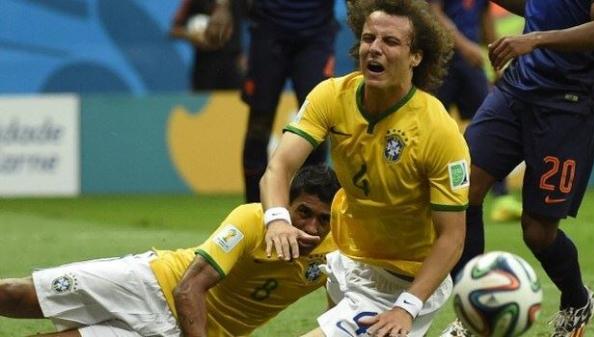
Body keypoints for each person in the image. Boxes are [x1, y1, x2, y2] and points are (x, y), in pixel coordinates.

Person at [260, 1, 469, 336]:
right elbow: (279, 167)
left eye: (390, 42)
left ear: (416, 56)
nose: (375, 48)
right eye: (369, 38)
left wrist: (406, 307)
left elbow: (453, 237)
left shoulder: (438, 130)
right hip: (347, 255)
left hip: (403, 279)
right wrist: (277, 220)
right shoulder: (331, 95)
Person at [0, 165, 341, 337]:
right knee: (14, 295)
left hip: (184, 333)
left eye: (323, 220)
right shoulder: (253, 219)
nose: (311, 228)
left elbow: (339, 318)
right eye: (304, 213)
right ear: (285, 204)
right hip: (150, 284)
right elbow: (188, 288)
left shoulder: (337, 252)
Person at [443, 0, 594, 336]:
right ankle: (471, 314)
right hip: (516, 91)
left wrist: (536, 39)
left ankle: (577, 300)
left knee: (538, 232)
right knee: (461, 189)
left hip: (568, 106)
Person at [429, 0, 521, 225]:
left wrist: (498, 56)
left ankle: (502, 198)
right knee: (429, 128)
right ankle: (421, 194)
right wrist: (464, 46)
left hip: (472, 65)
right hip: (441, 61)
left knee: (491, 126)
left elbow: (485, 17)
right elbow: (433, 13)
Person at [240, 0, 340, 202]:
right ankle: (255, 208)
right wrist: (222, 7)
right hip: (268, 29)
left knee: (319, 126)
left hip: (316, 34)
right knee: (259, 127)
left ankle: (310, 206)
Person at [170, 0, 244, 91]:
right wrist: (194, 35)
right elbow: (174, 30)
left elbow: (259, 19)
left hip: (233, 65)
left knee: (237, 103)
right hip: (205, 67)